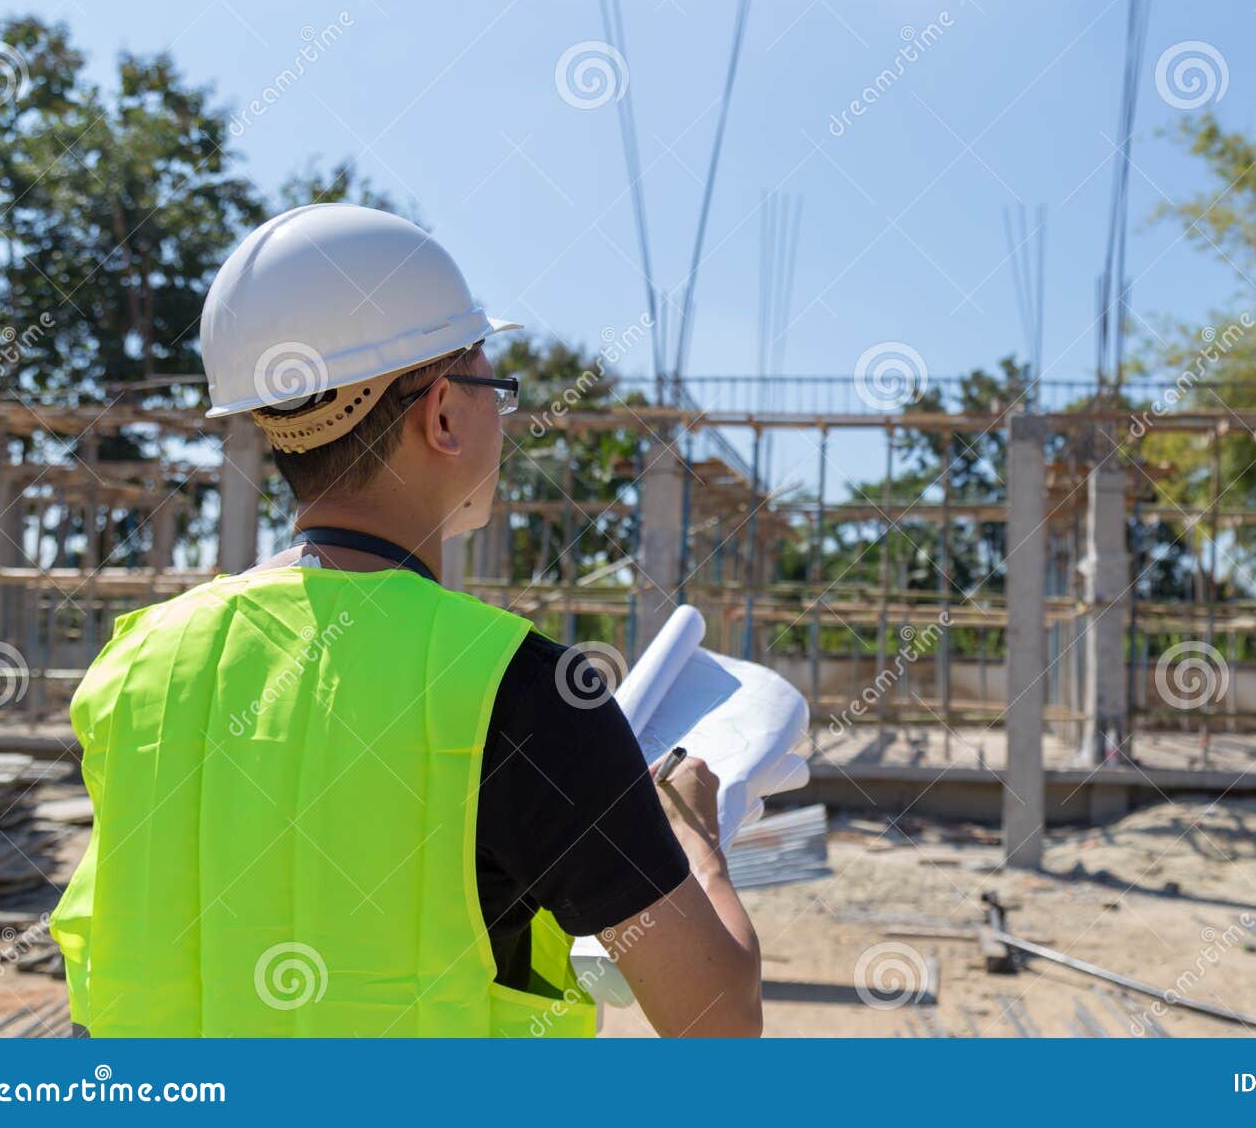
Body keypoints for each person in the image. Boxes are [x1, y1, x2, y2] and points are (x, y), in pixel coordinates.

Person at [49, 203, 762, 1038]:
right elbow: (718, 1024)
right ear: (445, 413)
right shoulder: (523, 693)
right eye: (495, 385)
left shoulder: (139, 665)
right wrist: (696, 835)